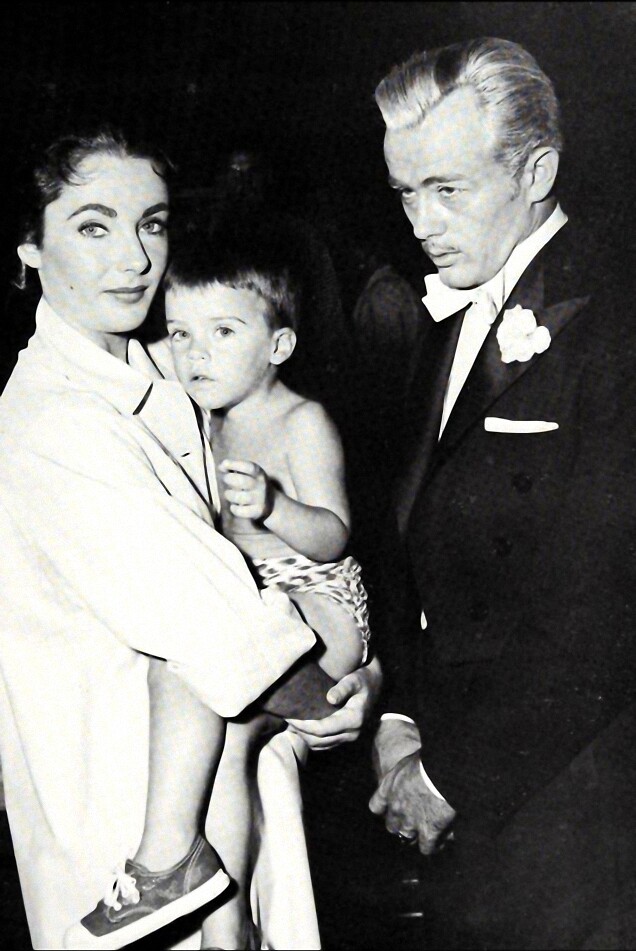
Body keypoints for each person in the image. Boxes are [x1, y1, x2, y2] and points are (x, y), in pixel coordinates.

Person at [0, 127, 381, 951]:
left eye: (153, 224)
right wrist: (344, 697)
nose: (134, 258)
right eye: (93, 226)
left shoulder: (167, 371)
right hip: (121, 810)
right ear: (29, 246)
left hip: (230, 782)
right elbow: (213, 625)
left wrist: (356, 674)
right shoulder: (53, 420)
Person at [368, 37, 636, 949]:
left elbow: (604, 613)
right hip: (452, 773)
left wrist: (452, 775)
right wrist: (400, 714)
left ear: (537, 173)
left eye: (447, 189)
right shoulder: (448, 315)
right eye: (406, 192)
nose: (421, 222)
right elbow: (408, 537)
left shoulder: (614, 328)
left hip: (573, 804)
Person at [155, 213, 371, 948]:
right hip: (263, 604)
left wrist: (275, 507)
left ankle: (224, 924)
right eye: (180, 334)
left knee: (228, 719)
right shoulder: (207, 416)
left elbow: (335, 534)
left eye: (222, 332)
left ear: (279, 346)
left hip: (320, 606)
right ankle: (227, 922)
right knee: (224, 735)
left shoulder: (301, 420)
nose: (195, 354)